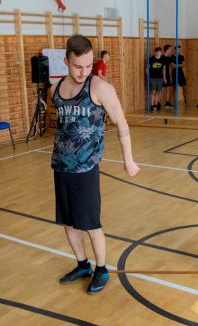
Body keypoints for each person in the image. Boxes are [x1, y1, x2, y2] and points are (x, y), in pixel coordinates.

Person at [51, 34, 140, 294]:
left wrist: (128, 158)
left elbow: (121, 124)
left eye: (88, 65)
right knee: (68, 223)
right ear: (66, 61)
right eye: (78, 66)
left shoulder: (100, 88)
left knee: (90, 224)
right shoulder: (55, 89)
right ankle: (82, 265)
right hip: (60, 166)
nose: (83, 72)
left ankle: (101, 269)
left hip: (86, 168)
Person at [148, 47, 165, 112]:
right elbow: (147, 68)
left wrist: (164, 78)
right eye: (157, 52)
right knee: (153, 92)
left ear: (161, 52)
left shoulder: (162, 59)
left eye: (159, 52)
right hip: (152, 78)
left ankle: (156, 104)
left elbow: (164, 69)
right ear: (155, 52)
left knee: (158, 92)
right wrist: (148, 76)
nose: (158, 53)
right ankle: (151, 106)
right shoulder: (151, 59)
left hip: (160, 78)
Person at [162, 44, 174, 109]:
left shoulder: (168, 58)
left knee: (168, 89)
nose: (170, 50)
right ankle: (158, 103)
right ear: (166, 50)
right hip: (164, 76)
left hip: (168, 75)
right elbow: (163, 68)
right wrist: (164, 77)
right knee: (161, 90)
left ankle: (167, 102)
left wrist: (170, 76)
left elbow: (168, 68)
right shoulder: (163, 57)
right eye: (170, 49)